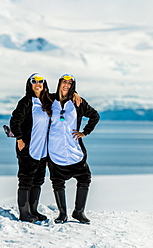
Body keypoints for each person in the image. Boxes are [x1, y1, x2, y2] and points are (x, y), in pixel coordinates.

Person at [48, 74, 100, 224]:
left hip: (74, 150)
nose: (67, 85)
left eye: (70, 83)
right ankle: (62, 214)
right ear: (59, 84)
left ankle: (79, 212)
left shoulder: (78, 103)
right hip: (55, 150)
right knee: (57, 182)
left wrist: (85, 132)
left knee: (85, 178)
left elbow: (94, 116)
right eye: (64, 82)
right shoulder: (50, 100)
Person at [10, 73, 52, 222]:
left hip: (42, 149)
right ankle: (24, 213)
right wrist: (19, 139)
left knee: (38, 180)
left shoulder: (47, 101)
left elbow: (64, 95)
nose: (37, 84)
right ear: (30, 84)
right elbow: (15, 121)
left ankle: (34, 210)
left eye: (40, 81)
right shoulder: (26, 101)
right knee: (26, 180)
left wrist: (76, 93)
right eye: (34, 81)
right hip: (28, 147)